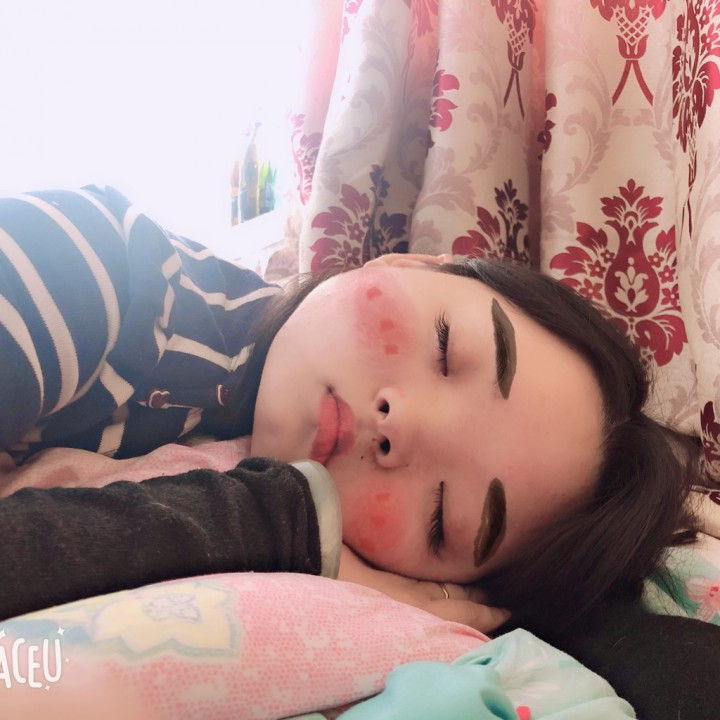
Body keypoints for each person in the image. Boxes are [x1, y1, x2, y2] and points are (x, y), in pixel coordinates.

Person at [0, 186, 702, 637]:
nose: (402, 426)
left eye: (442, 518)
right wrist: (287, 525)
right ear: (411, 264)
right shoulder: (100, 271)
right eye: (446, 347)